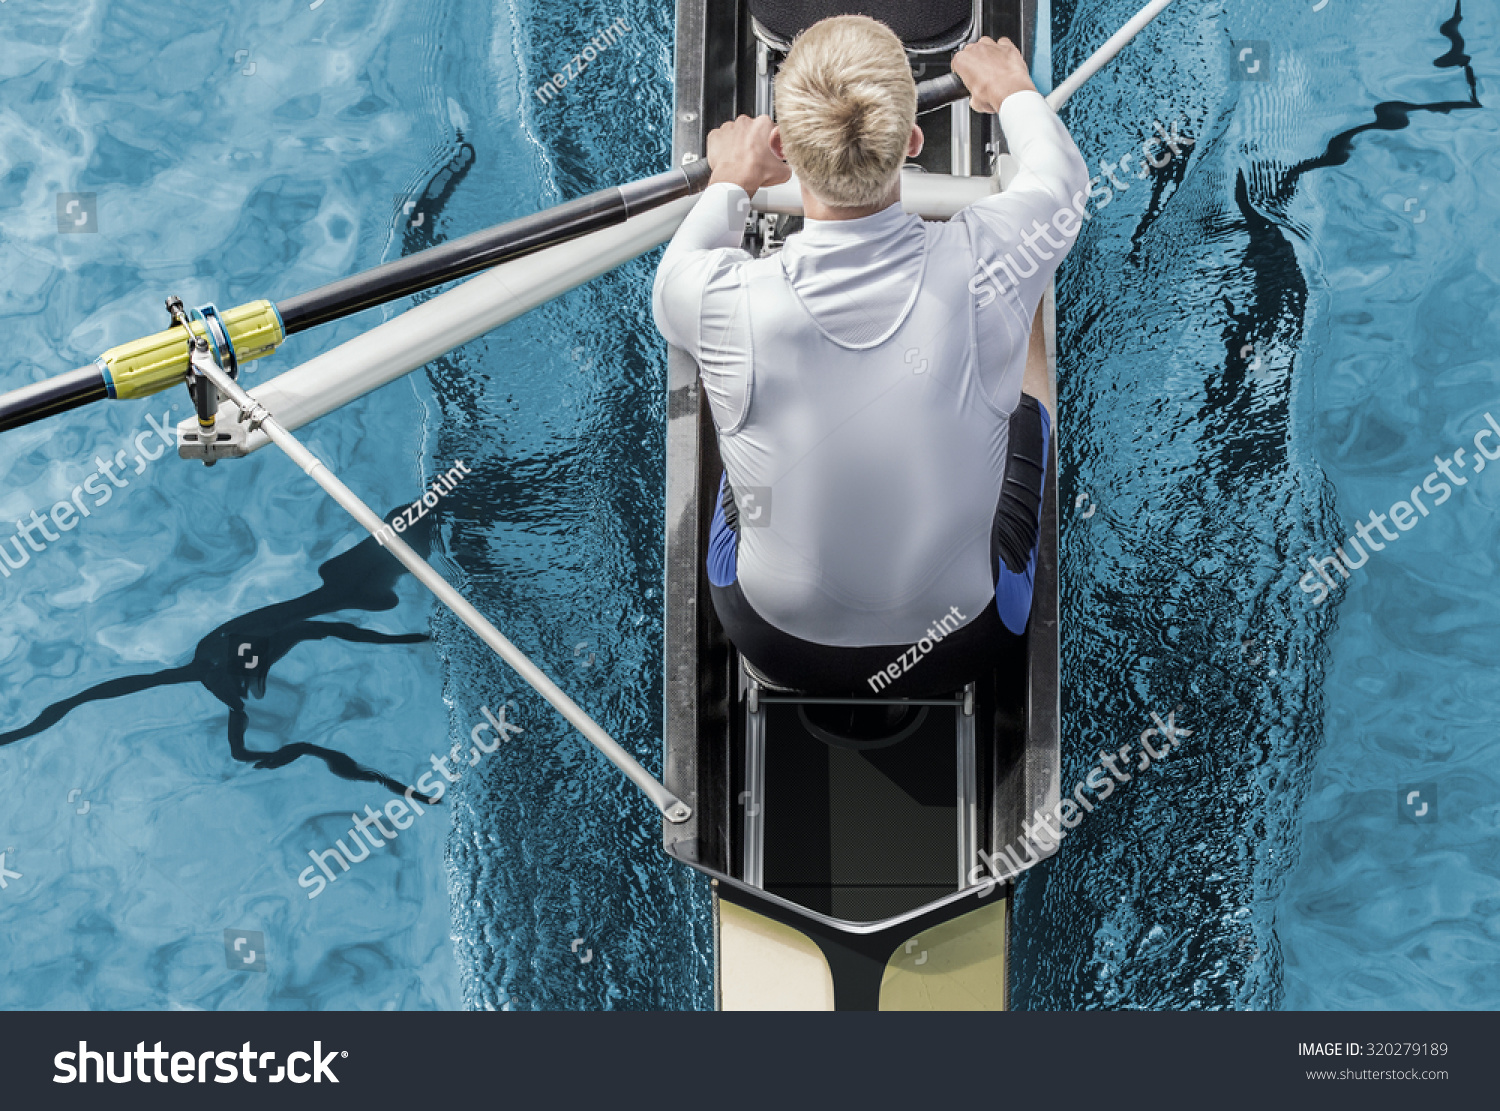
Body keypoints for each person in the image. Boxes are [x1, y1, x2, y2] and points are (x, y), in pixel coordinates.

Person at [652, 15, 1088, 696]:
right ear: (913, 142)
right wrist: (1012, 92)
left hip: (770, 634)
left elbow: (675, 275)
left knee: (728, 379)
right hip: (962, 640)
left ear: (785, 151)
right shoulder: (990, 263)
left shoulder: (712, 295)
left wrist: (731, 182)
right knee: (1026, 302)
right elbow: (1062, 182)